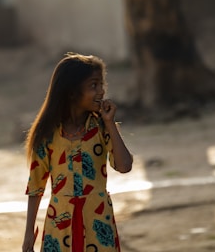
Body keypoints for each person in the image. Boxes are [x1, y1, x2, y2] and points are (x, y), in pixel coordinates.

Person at [22, 53, 133, 252]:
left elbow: (124, 166)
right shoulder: (48, 133)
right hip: (60, 224)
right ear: (72, 92)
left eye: (101, 84)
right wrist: (29, 232)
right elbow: (35, 186)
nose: (101, 91)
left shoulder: (101, 127)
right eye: (93, 85)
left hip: (98, 220)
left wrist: (110, 124)